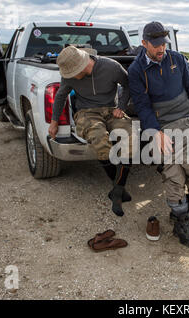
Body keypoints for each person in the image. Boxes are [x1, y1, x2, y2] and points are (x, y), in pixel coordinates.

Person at [128, 21, 189, 249]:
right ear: (144, 43)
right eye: (155, 45)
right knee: (174, 173)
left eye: (163, 43)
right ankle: (181, 222)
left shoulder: (177, 59)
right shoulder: (136, 70)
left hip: (186, 119)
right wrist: (155, 132)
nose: (161, 49)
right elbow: (142, 106)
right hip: (162, 125)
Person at [48, 45, 133, 217]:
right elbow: (61, 96)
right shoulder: (70, 74)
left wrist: (122, 107)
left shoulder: (111, 66)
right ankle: (119, 188)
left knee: (129, 139)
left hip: (111, 109)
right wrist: (54, 122)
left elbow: (129, 85)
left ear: (83, 65)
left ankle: (117, 190)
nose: (70, 77)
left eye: (73, 73)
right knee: (99, 139)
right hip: (86, 112)